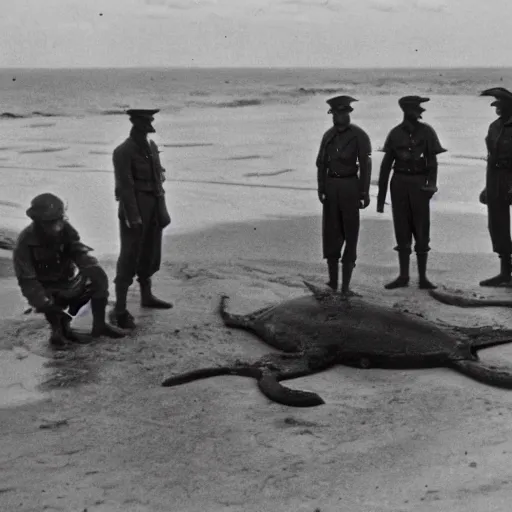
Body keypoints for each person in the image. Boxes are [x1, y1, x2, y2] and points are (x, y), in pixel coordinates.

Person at [12, 193, 126, 349]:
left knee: (97, 276)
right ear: (38, 222)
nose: (57, 225)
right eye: (51, 222)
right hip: (46, 290)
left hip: (68, 282)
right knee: (48, 303)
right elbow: (28, 281)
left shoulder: (65, 229)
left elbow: (78, 250)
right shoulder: (25, 242)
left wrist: (89, 266)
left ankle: (99, 325)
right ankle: (58, 331)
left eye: (59, 219)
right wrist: (45, 304)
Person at [110, 108, 173, 330]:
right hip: (135, 207)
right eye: (144, 126)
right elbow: (125, 187)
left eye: (149, 125)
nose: (147, 130)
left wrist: (162, 210)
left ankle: (147, 296)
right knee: (129, 255)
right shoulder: (123, 151)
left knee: (151, 252)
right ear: (134, 126)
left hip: (154, 205)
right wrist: (133, 217)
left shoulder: (152, 147)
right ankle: (120, 308)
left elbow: (159, 181)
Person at [377, 96, 446, 290]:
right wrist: (380, 200)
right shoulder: (395, 134)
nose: (420, 113)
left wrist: (431, 185)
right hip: (398, 183)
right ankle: (404, 276)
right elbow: (385, 166)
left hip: (419, 184)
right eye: (416, 110)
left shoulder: (427, 132)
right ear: (407, 111)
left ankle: (423, 278)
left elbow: (432, 162)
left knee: (422, 229)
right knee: (402, 228)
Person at [316, 95, 372, 296]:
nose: (337, 117)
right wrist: (321, 187)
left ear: (348, 113)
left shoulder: (359, 136)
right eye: (334, 114)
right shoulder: (328, 136)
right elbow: (321, 164)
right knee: (331, 233)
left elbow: (365, 165)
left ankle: (346, 287)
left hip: (350, 186)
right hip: (331, 186)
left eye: (341, 113)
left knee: (350, 233)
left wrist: (364, 192)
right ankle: (332, 282)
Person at [478, 87, 512, 287]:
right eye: (495, 105)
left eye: (500, 105)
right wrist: (487, 187)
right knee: (497, 224)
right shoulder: (494, 127)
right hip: (496, 177)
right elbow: (491, 158)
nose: (497, 109)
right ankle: (505, 272)